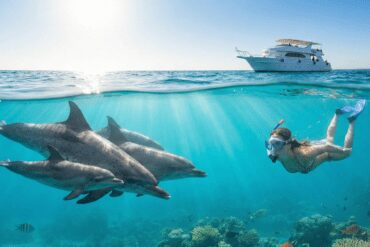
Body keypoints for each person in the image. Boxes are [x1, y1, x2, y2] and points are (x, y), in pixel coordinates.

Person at [265, 100, 366, 173]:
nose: (273, 148)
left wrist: (344, 150)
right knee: (328, 140)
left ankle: (351, 120)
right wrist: (277, 125)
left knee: (334, 144)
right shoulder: (273, 155)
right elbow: (272, 135)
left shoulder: (305, 154)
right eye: (271, 144)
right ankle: (337, 114)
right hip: (308, 155)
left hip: (318, 156)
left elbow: (326, 147)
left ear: (288, 144)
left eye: (277, 144)